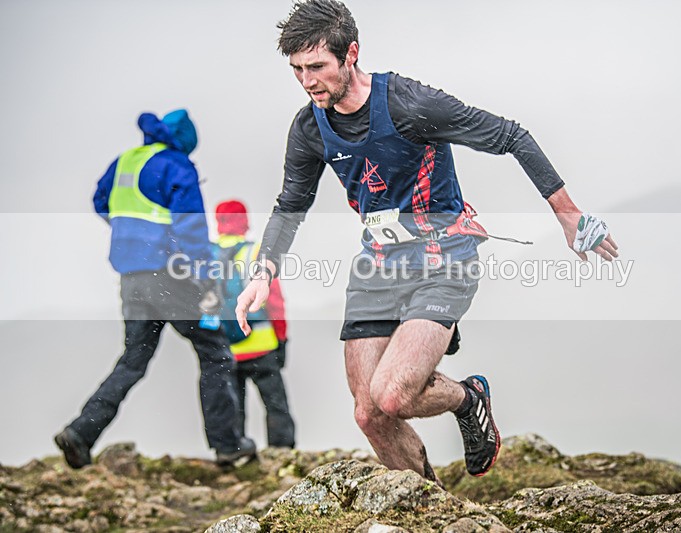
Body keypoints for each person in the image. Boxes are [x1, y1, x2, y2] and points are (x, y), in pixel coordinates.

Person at [236, 0, 619, 483]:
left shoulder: (409, 104)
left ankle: (468, 398)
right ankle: (431, 509)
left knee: (393, 394)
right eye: (297, 69)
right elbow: (291, 203)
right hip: (378, 264)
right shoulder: (310, 128)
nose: (308, 81)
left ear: (350, 54)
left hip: (445, 258)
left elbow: (510, 136)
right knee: (370, 414)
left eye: (317, 67)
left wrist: (568, 215)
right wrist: (260, 275)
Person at [55, 109, 256, 469]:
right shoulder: (176, 165)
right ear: (185, 140)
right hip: (170, 277)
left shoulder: (125, 162)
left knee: (132, 360)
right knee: (215, 353)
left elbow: (101, 203)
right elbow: (191, 228)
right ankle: (229, 446)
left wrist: (131, 237)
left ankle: (80, 433)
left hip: (131, 279)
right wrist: (206, 277)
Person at [212, 199, 296, 448]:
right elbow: (275, 301)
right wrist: (281, 339)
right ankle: (282, 453)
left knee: (232, 404)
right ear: (244, 221)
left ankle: (236, 451)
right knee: (275, 404)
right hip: (260, 345)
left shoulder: (206, 255)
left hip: (224, 348)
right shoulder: (256, 253)